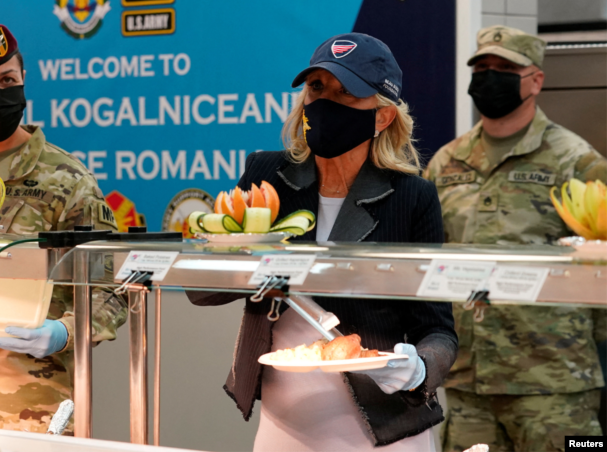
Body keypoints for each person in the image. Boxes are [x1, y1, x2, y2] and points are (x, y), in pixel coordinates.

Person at [189, 33, 458, 451]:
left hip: (386, 429)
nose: (325, 102)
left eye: (346, 93)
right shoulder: (266, 176)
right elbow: (202, 291)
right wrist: (255, 266)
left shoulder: (411, 197)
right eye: (317, 87)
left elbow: (438, 329)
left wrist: (418, 369)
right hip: (284, 427)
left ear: (382, 117)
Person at [0, 23, 125, 432]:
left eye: (7, 80)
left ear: (24, 83)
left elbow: (113, 288)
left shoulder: (67, 179)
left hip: (37, 401)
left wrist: (65, 330)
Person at [424, 25, 607, 452]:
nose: (490, 76)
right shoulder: (447, 163)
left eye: (504, 68)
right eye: (482, 67)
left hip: (554, 382)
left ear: (536, 80)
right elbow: (429, 258)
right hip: (469, 381)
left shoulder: (576, 160)